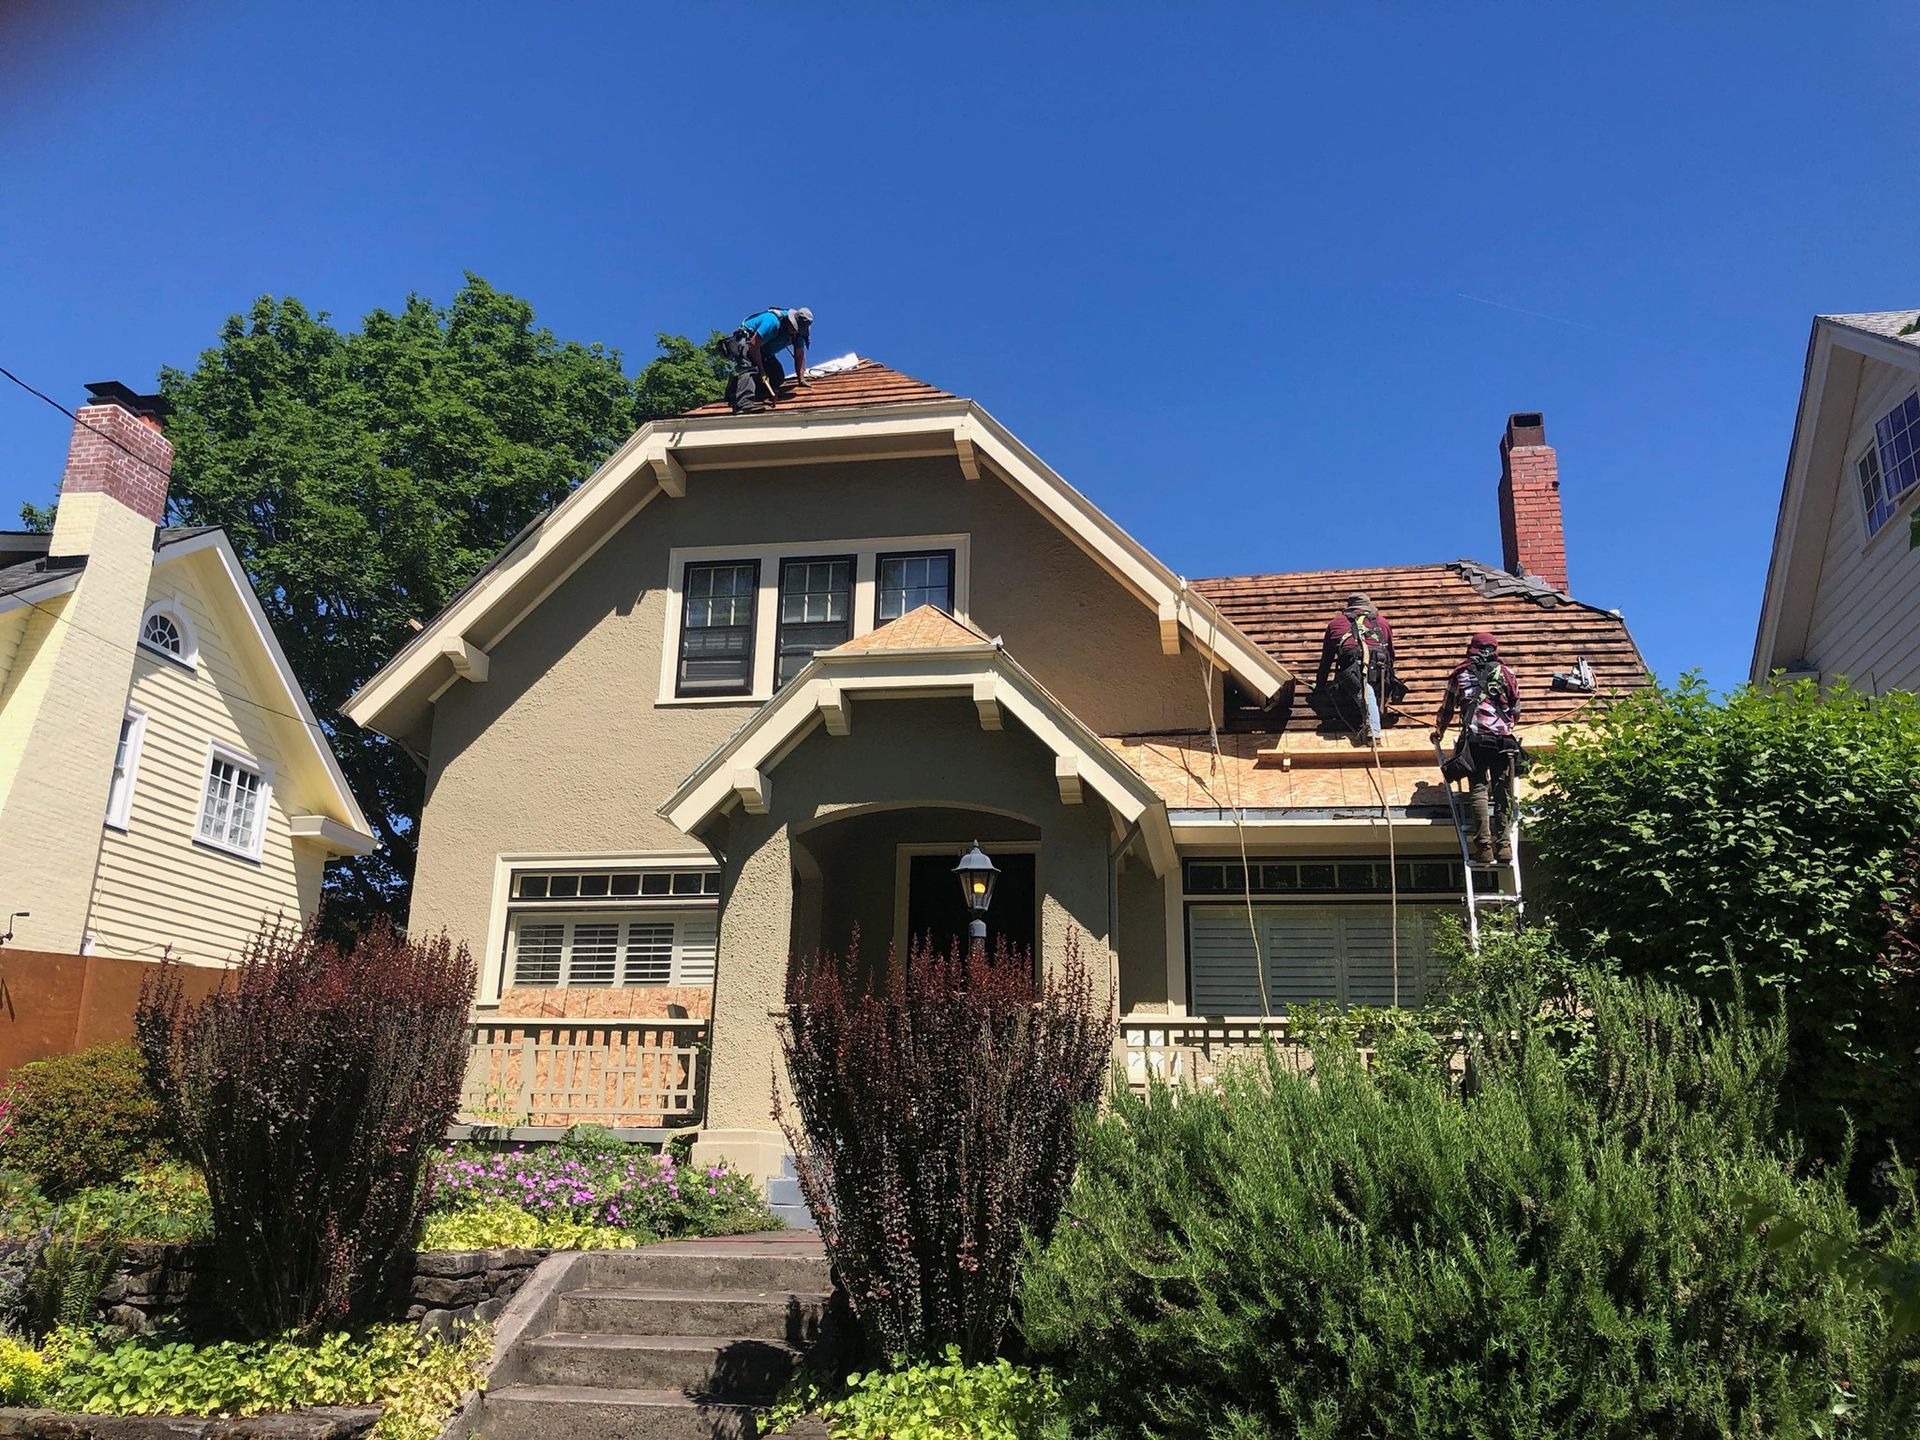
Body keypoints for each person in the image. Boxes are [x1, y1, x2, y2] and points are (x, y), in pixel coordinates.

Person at [1431, 631, 1522, 864]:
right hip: (1503, 742)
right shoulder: (1507, 673)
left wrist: (1439, 732)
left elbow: (1447, 709)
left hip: (1475, 741)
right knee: (1503, 793)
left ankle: (1484, 847)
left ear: (1471, 648)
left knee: (1479, 791)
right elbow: (1516, 711)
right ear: (1495, 649)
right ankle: (1504, 847)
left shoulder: (1460, 674)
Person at [1314, 593, 1400, 740]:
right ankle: (1372, 724)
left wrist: (1319, 686)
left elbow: (1326, 660)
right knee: (1369, 692)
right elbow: (1391, 655)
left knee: (1365, 693)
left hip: (1351, 672)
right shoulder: (1382, 622)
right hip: (1379, 670)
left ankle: (1372, 728)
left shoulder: (1336, 623)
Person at [719, 306, 813, 413]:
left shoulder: (799, 334)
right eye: (793, 328)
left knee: (777, 376)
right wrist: (761, 369)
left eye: (797, 331)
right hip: (747, 342)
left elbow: (799, 355)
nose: (794, 332)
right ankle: (743, 405)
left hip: (764, 351)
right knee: (750, 369)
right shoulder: (772, 322)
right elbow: (754, 345)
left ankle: (748, 393)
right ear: (789, 321)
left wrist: (801, 379)